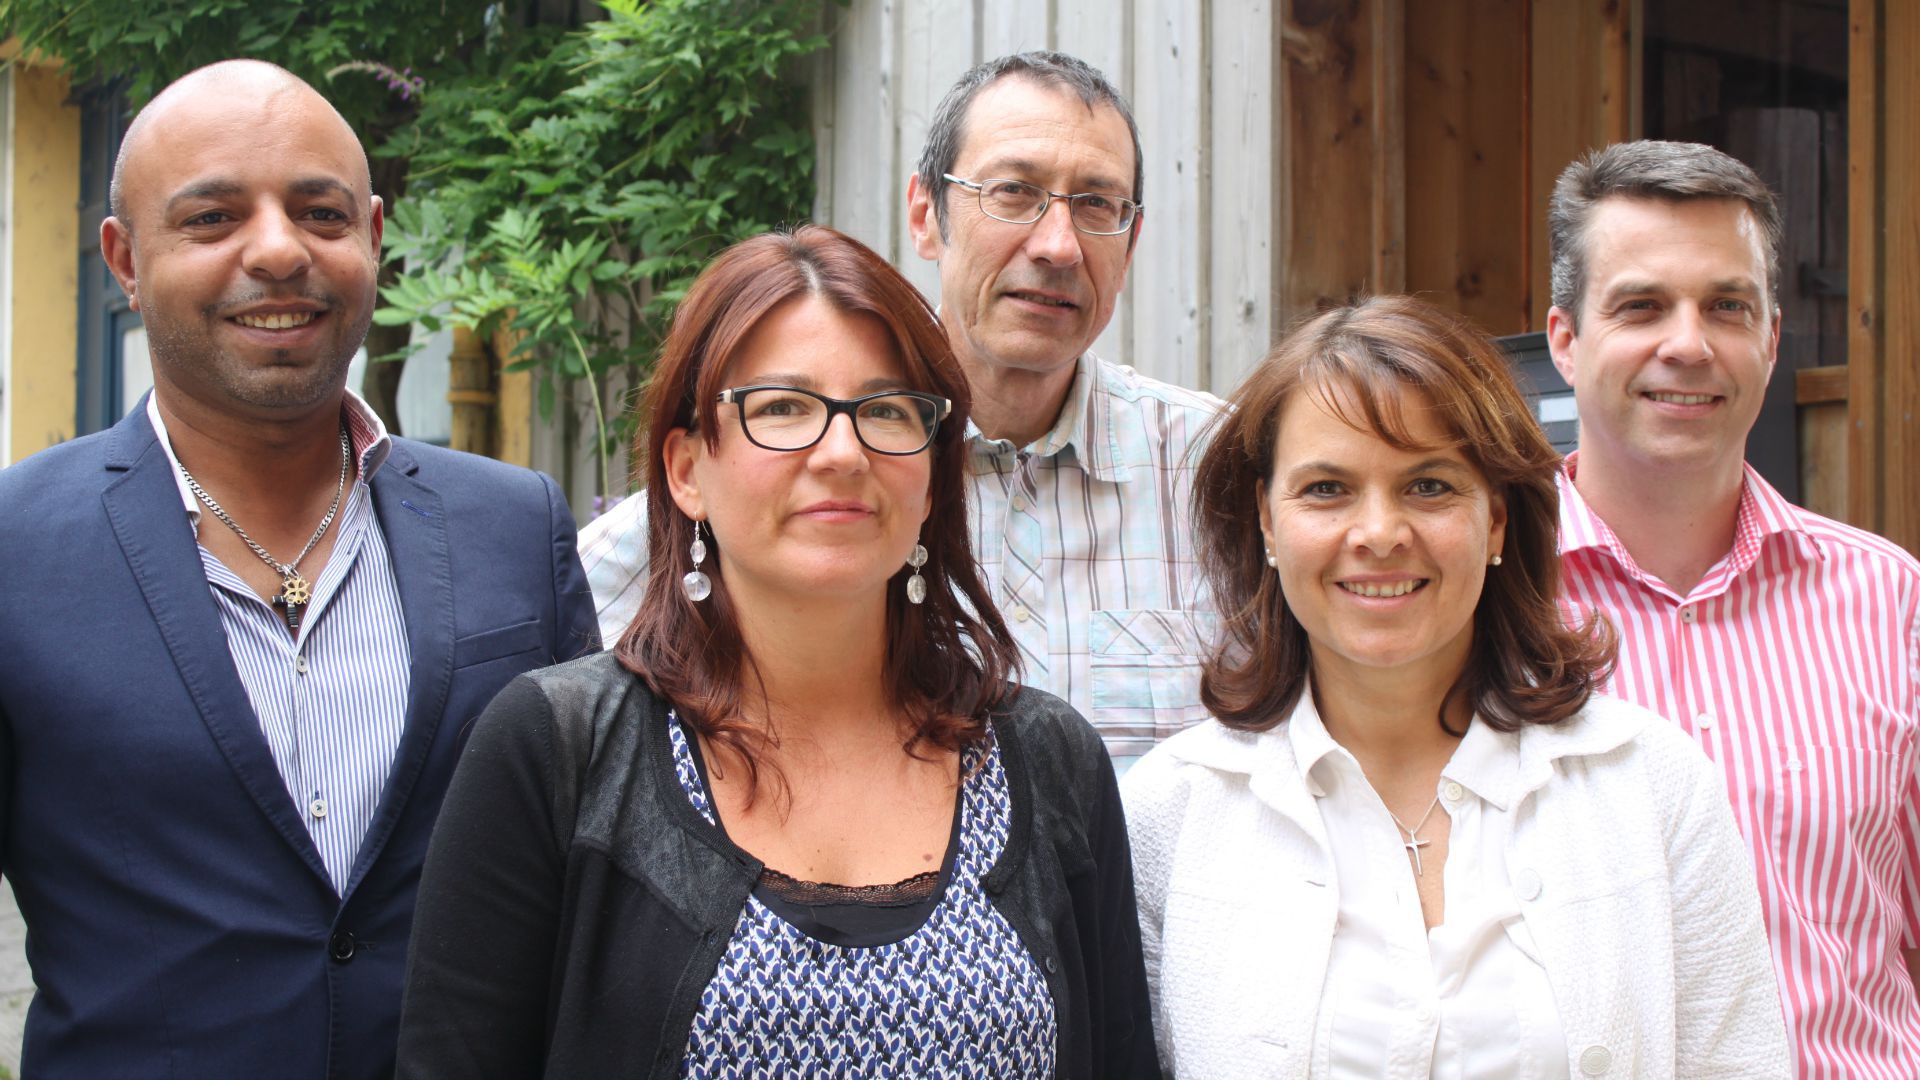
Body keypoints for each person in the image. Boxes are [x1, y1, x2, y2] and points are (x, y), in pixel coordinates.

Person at [396, 226, 1156, 1078]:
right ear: (686, 470)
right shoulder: (557, 750)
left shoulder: (1048, 763)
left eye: (887, 411)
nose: (842, 452)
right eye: (782, 407)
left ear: (934, 473)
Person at [0, 61, 598, 1078]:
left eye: (318, 212)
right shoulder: (16, 550)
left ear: (371, 235)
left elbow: (592, 887)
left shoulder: (512, 525)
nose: (278, 251)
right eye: (212, 218)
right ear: (125, 259)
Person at [1122, 296, 1790, 1078]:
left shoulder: (1652, 785)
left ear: (1498, 520)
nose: (1379, 533)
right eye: (1327, 489)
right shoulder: (1173, 811)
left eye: (1430, 486)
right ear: (1266, 522)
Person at [579, 51, 1224, 766]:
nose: (1057, 245)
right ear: (926, 215)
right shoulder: (808, 473)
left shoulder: (1215, 470)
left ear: (1131, 243)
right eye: (1013, 191)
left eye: (1098, 205)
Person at [1545, 140, 1920, 1074]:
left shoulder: (1891, 602)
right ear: (1564, 339)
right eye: (1640, 306)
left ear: (1773, 338)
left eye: (1727, 306)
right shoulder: (1480, 603)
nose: (1688, 343)